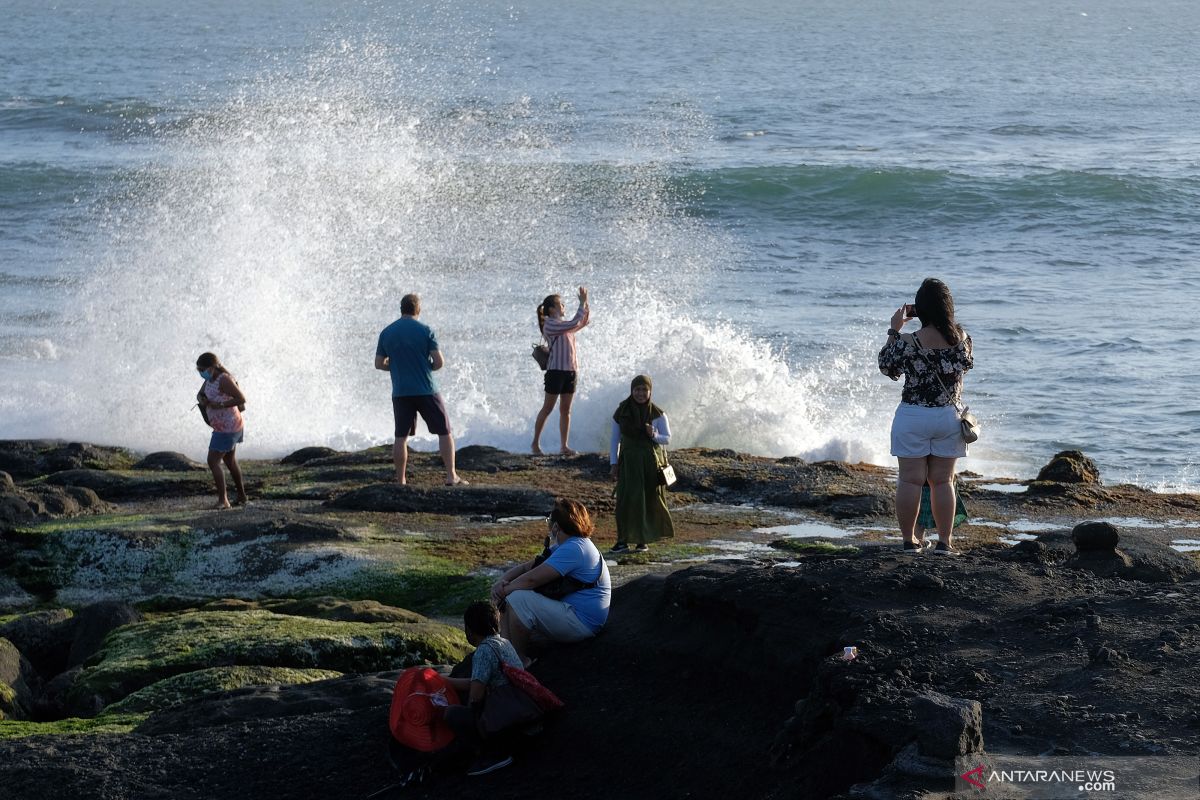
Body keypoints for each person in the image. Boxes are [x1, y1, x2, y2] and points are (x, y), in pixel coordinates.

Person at [878, 278, 974, 554]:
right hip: (947, 417)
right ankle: (945, 543)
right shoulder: (963, 340)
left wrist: (894, 330)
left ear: (920, 309)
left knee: (910, 480)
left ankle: (910, 541)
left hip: (912, 416)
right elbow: (965, 366)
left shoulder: (908, 341)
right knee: (943, 481)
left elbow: (886, 366)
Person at [491, 498, 610, 666]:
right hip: (574, 615)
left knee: (518, 599)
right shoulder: (568, 545)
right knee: (509, 599)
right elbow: (527, 568)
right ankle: (507, 655)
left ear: (556, 527)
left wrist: (506, 589)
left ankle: (520, 661)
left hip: (583, 622)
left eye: (550, 521)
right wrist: (502, 582)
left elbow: (533, 579)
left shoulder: (575, 548)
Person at [375, 293, 467, 487]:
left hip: (401, 392)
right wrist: (426, 367)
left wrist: (397, 365)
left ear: (401, 309)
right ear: (418, 309)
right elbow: (439, 362)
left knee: (401, 437)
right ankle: (451, 476)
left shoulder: (387, 332)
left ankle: (401, 480)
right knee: (444, 431)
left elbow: (379, 364)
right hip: (426, 389)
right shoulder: (426, 330)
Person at [443, 601, 527, 776]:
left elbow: (475, 695)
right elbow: (478, 681)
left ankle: (491, 754)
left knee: (452, 714)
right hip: (521, 707)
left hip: (503, 718)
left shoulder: (483, 651)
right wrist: (443, 681)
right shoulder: (503, 643)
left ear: (470, 630)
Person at [609, 374, 674, 553]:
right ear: (632, 391)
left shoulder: (657, 413)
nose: (640, 393)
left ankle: (642, 541)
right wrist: (613, 464)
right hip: (628, 462)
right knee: (625, 500)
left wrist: (653, 435)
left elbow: (667, 439)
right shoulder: (621, 411)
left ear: (650, 391)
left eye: (644, 389)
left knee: (647, 500)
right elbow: (615, 440)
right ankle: (622, 541)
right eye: (637, 389)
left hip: (650, 464)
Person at [531, 287, 590, 455]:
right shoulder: (550, 325)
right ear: (552, 309)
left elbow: (582, 321)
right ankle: (535, 444)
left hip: (571, 371)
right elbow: (573, 323)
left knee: (566, 410)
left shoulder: (564, 326)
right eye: (561, 304)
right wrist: (581, 304)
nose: (563, 306)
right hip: (555, 371)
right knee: (548, 408)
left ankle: (564, 446)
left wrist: (585, 304)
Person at [195, 352, 247, 509]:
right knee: (230, 461)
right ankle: (242, 496)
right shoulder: (209, 379)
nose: (200, 372)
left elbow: (242, 399)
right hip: (224, 426)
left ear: (211, 367)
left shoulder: (223, 379)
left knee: (213, 461)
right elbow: (200, 394)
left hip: (228, 427)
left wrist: (220, 405)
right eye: (198, 369)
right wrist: (202, 400)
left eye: (201, 369)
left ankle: (223, 500)